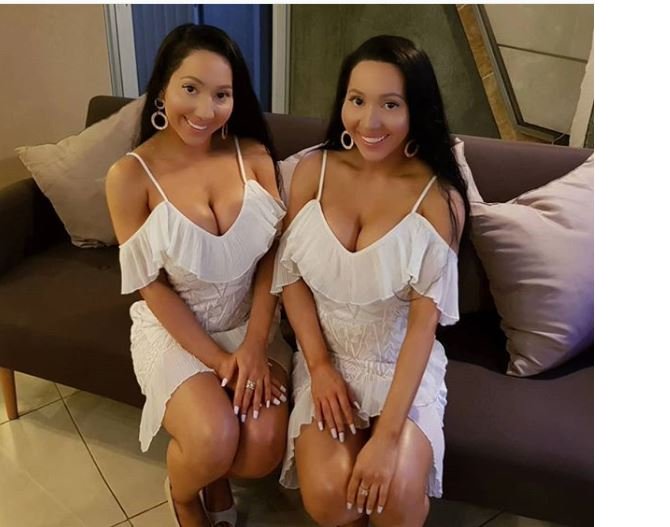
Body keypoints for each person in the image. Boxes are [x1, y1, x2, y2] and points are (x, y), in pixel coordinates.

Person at [271, 35, 470, 527]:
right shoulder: (312, 171)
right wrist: (318, 366)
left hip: (400, 363)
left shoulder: (438, 198)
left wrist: (386, 437)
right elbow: (290, 277)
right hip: (327, 358)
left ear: (416, 109)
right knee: (330, 499)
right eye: (357, 100)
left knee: (393, 498)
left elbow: (424, 326)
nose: (369, 121)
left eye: (390, 104)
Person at [105, 24, 291, 527]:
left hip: (250, 327)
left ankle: (215, 473)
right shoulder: (129, 177)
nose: (206, 110)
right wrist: (220, 361)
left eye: (222, 94)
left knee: (261, 450)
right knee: (212, 438)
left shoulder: (253, 155)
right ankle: (186, 496)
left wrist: (253, 346)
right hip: (176, 332)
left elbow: (274, 256)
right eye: (191, 88)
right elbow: (151, 286)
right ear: (162, 88)